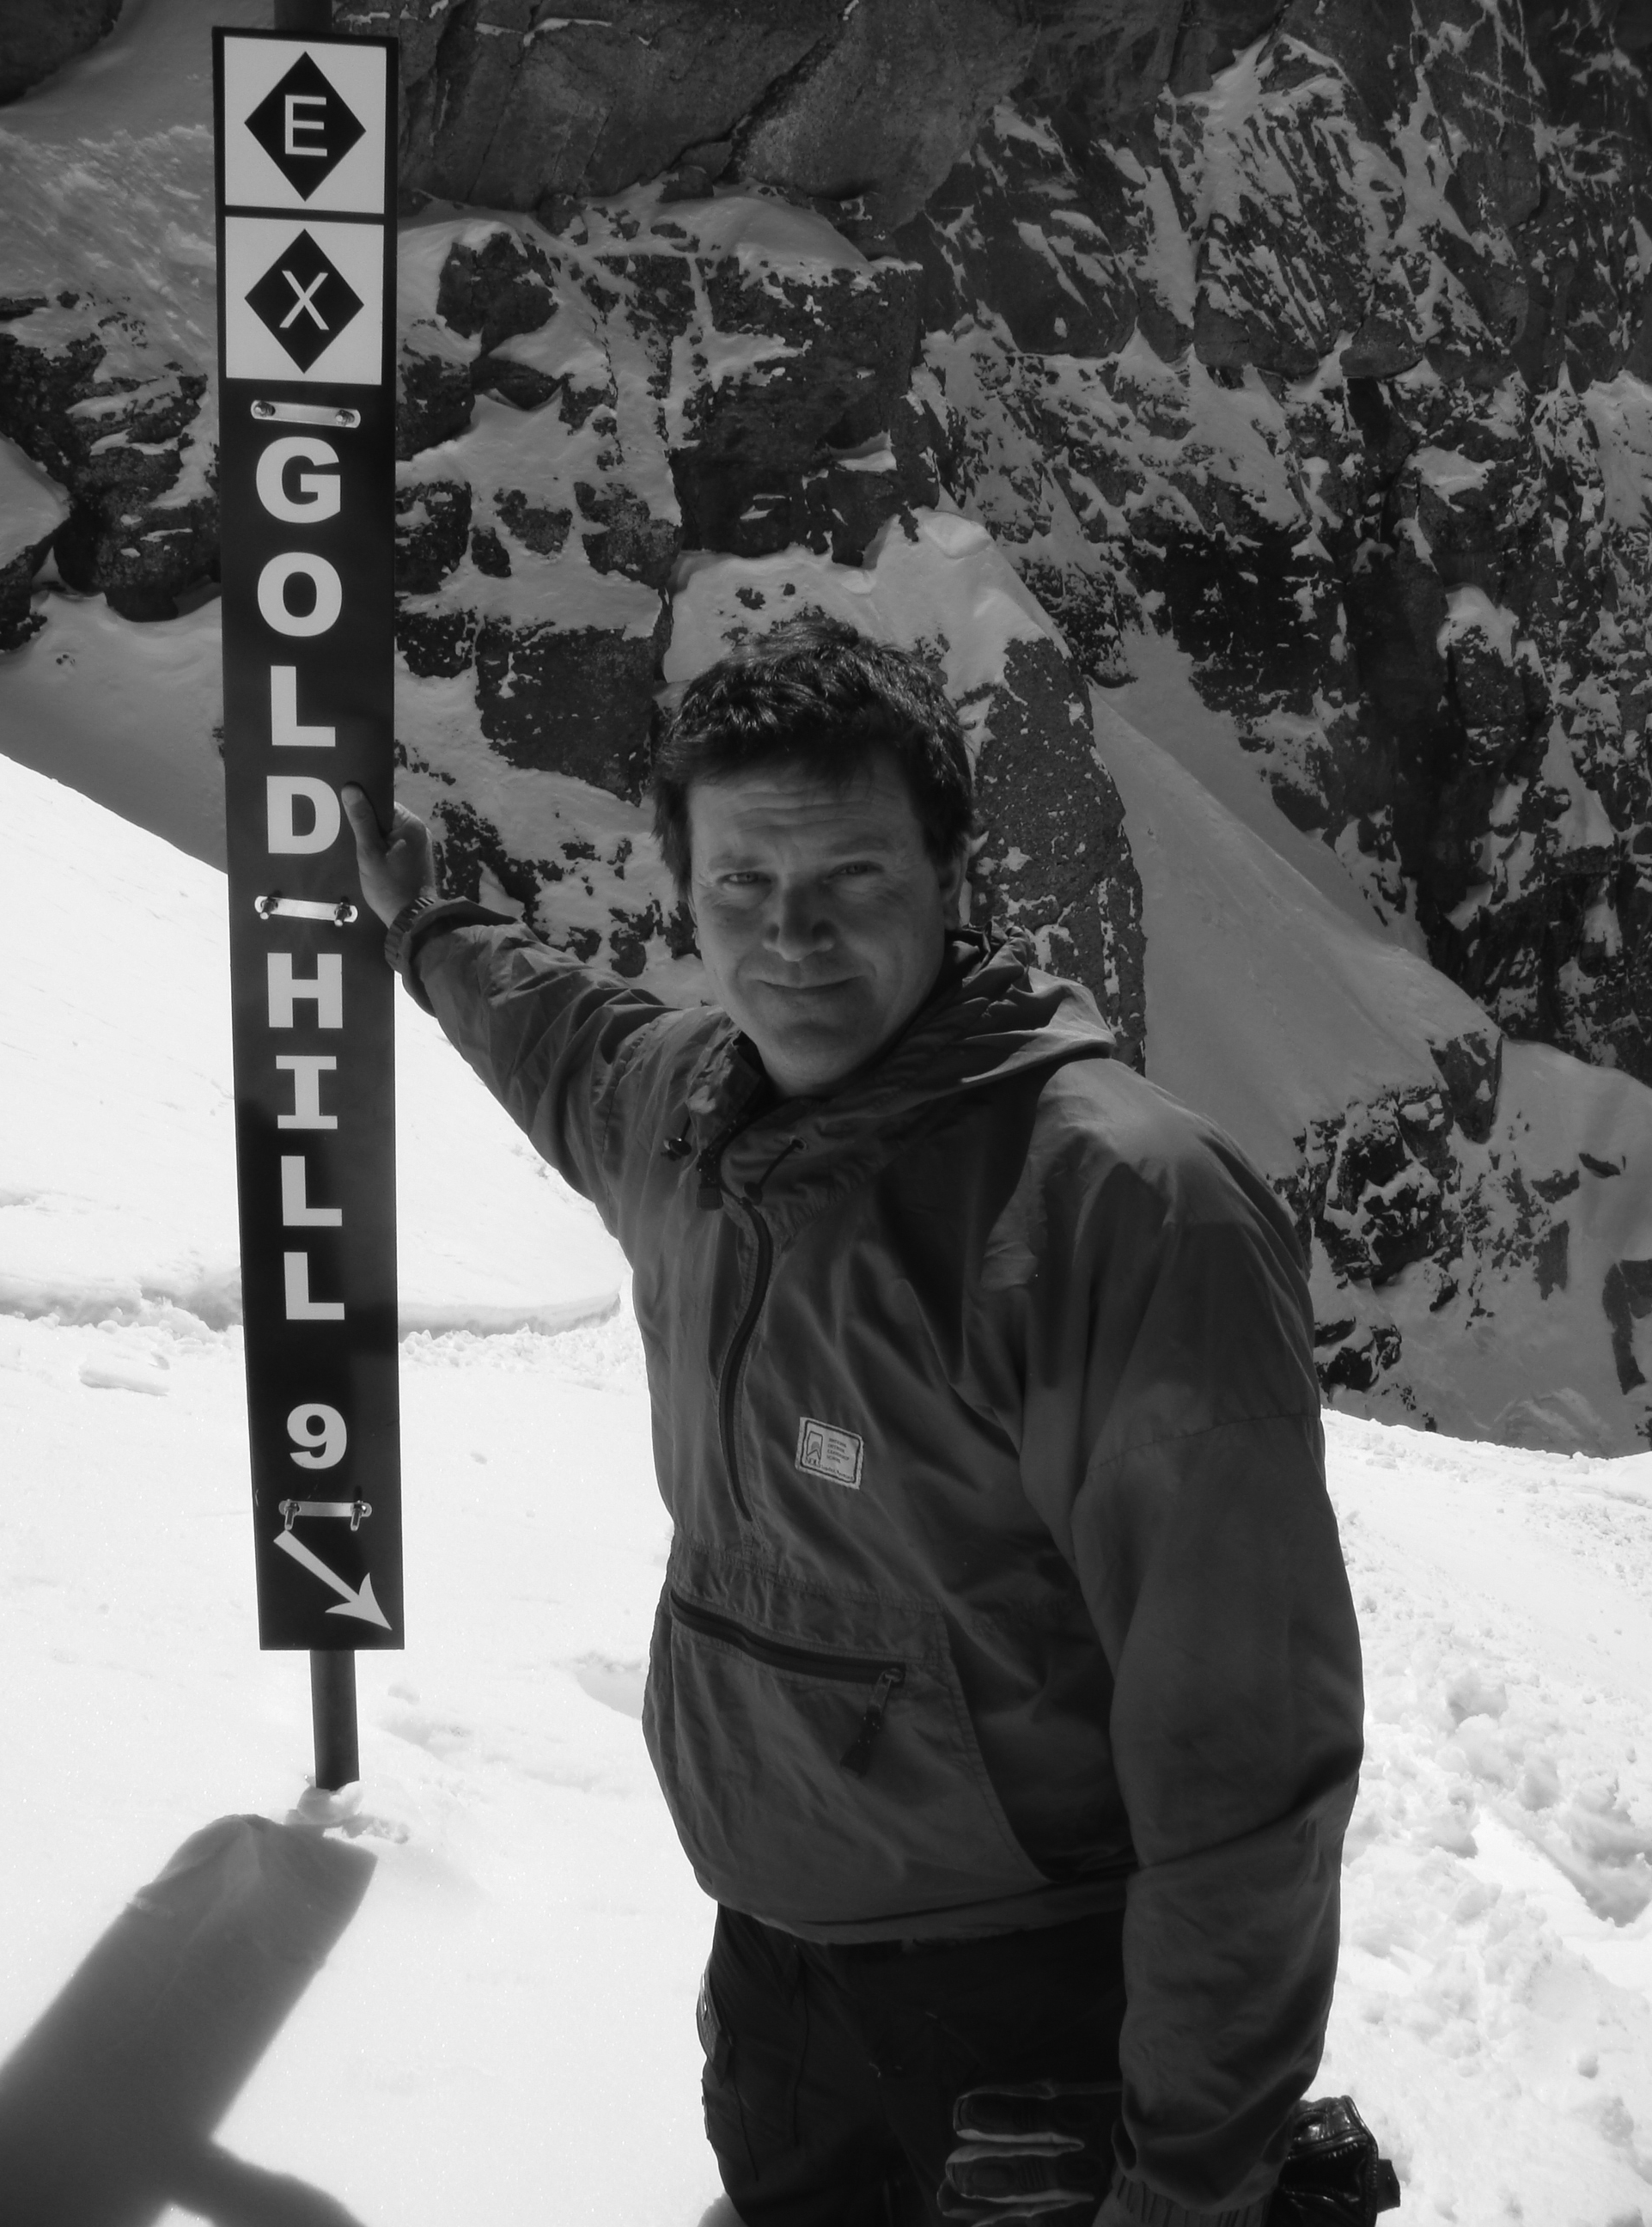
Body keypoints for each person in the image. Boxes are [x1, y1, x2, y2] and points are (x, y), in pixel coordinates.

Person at [343, 619, 1363, 2227]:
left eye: (853, 879)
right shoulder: (684, 1108)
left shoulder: (1120, 1209)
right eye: (740, 884)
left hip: (1037, 2011)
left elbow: (1247, 1767)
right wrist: (422, 924)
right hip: (776, 1977)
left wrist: (1188, 2188)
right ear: (685, 892)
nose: (791, 937)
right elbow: (553, 1032)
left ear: (952, 877)